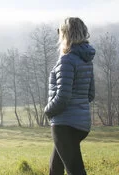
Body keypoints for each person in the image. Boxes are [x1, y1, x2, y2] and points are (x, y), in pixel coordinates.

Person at [44, 17, 95, 175]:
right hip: (81, 124)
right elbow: (90, 94)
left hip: (64, 125)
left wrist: (48, 110)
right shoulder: (86, 61)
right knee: (56, 168)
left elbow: (63, 97)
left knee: (76, 171)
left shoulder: (66, 61)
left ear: (66, 35)